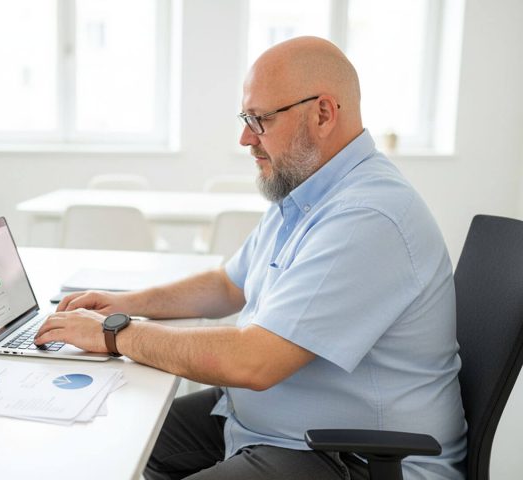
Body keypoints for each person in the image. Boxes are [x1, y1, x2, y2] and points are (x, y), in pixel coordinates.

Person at [34, 36, 467, 479]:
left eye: (260, 120)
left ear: (322, 113)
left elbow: (254, 360)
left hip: (350, 458)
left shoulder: (368, 216)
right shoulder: (307, 192)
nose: (245, 138)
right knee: (113, 441)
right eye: (246, 118)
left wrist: (114, 334)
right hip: (268, 426)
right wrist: (124, 304)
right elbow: (228, 285)